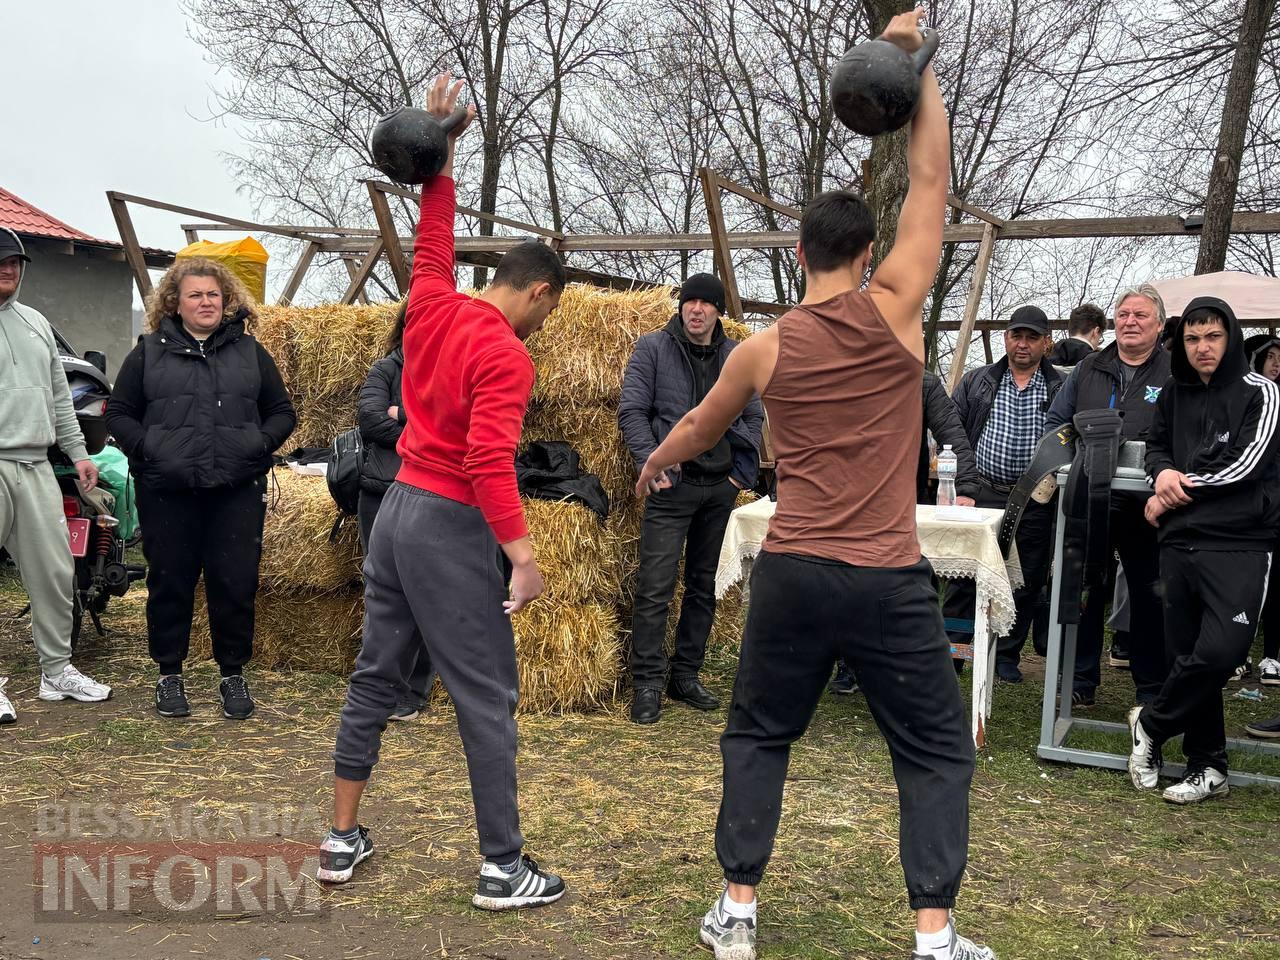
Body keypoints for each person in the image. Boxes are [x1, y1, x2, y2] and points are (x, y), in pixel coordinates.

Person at [635, 13, 991, 959]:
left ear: (800, 255)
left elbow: (700, 427)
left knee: (758, 736)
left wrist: (656, 461)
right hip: (885, 577)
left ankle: (738, 915)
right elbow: (930, 179)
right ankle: (933, 936)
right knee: (934, 752)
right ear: (867, 255)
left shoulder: (763, 347)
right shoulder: (901, 310)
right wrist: (914, 68)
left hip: (793, 570)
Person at [319, 75, 568, 911]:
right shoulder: (508, 354)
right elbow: (492, 465)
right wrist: (523, 559)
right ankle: (504, 867)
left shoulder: (430, 305)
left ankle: (341, 837)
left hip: (392, 515)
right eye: (549, 310)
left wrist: (442, 151)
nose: (544, 323)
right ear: (537, 291)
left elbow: (432, 237)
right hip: (450, 522)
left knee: (373, 676)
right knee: (486, 696)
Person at [105, 259, 296, 720]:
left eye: (213, 294)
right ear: (175, 302)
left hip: (234, 491)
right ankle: (169, 674)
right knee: (170, 582)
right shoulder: (149, 352)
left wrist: (256, 443)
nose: (205, 302)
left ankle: (233, 673)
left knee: (234, 583)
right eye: (195, 294)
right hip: (167, 492)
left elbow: (282, 411)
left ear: (226, 300)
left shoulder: (250, 353)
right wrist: (150, 447)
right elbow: (118, 414)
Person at [1129, 297, 1279, 802]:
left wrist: (1173, 486)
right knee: (1185, 656)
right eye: (1192, 339)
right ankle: (1207, 765)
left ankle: (1150, 723)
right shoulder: (1173, 392)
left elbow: (1245, 465)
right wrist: (1161, 473)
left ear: (1231, 336)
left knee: (1223, 652)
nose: (1203, 348)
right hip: (1178, 541)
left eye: (1212, 336)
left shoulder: (1263, 392)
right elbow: (1156, 446)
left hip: (1240, 541)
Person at [619, 273, 763, 724]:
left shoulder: (736, 355)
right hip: (671, 486)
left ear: (719, 311)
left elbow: (753, 413)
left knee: (703, 587)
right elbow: (633, 411)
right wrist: (652, 462)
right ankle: (646, 683)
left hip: (718, 488)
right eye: (690, 301)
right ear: (681, 306)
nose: (696, 309)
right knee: (655, 586)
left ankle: (686, 676)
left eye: (706, 303)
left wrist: (739, 475)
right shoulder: (653, 348)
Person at [0, 227, 112, 724]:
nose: (7, 269)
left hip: (37, 463)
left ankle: (56, 670)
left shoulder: (35, 323)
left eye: (15, 263)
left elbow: (59, 397)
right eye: (0, 261)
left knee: (55, 572)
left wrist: (77, 452)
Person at [1044, 284, 1171, 707]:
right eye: (1124, 314)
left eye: (1140, 315)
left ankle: (1151, 687)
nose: (1130, 322)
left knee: (1151, 595)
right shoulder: (1088, 368)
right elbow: (1058, 422)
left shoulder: (1175, 373)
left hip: (1150, 506)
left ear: (1159, 324)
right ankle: (1080, 680)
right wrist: (1066, 462)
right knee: (1085, 588)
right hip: (1090, 498)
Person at [833, 371, 977, 697]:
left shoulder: (922, 382)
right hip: (848, 500)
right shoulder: (844, 376)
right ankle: (849, 663)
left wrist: (965, 487)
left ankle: (899, 665)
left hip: (902, 500)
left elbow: (953, 434)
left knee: (900, 587)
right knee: (848, 583)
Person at [945, 307, 1063, 683]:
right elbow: (952, 433)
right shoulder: (977, 381)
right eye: (1016, 335)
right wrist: (962, 486)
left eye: (1031, 337)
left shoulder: (1060, 386)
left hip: (1035, 498)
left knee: (1024, 580)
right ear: (1006, 338)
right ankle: (955, 650)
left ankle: (1006, 656)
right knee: (964, 576)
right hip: (979, 492)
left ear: (1047, 342)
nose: (1023, 344)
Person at [355, 303, 435, 722]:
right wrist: (425, 426)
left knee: (427, 594)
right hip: (381, 492)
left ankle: (413, 691)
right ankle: (379, 685)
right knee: (384, 594)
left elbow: (459, 421)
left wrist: (401, 415)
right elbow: (369, 420)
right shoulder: (386, 369)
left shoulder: (450, 370)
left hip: (431, 494)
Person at [1240, 333, 1280, 689]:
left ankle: (1272, 656)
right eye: (1270, 357)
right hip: (1242, 509)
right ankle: (1238, 654)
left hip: (1272, 507)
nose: (1277, 364)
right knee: (1245, 585)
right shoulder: (1240, 398)